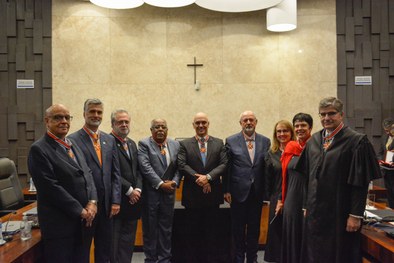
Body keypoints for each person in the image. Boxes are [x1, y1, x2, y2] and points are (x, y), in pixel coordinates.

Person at [297, 97, 381, 263]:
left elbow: (360, 183)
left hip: (340, 213)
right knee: (314, 253)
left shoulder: (356, 141)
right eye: (322, 115)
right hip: (315, 213)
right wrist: (306, 205)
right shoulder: (314, 140)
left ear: (341, 115)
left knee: (338, 254)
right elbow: (307, 176)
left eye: (331, 114)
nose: (326, 118)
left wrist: (355, 215)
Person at [28, 104, 97, 263]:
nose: (64, 121)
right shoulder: (39, 149)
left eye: (67, 117)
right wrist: (80, 210)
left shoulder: (73, 144)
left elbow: (88, 174)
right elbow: (50, 187)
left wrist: (93, 202)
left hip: (82, 224)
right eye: (58, 117)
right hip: (59, 226)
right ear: (47, 121)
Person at [68, 98, 121, 263]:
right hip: (86, 208)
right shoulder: (72, 140)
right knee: (82, 251)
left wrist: (116, 201)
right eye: (92, 111)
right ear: (84, 114)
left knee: (105, 250)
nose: (96, 115)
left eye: (99, 112)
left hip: (106, 207)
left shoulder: (110, 139)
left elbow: (115, 174)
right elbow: (74, 176)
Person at [177, 112, 228, 263]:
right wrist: (200, 179)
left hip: (213, 196)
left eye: (203, 122)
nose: (201, 125)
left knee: (212, 234)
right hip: (192, 196)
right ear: (193, 125)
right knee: (193, 234)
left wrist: (209, 177)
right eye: (197, 123)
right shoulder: (184, 144)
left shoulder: (219, 143)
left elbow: (224, 164)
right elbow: (181, 164)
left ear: (208, 124)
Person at [224, 111, 271, 263]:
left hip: (257, 194)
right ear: (241, 123)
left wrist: (266, 193)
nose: (248, 122)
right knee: (238, 229)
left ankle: (252, 259)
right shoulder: (231, 141)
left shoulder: (266, 141)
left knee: (254, 229)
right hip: (238, 193)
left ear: (256, 122)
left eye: (251, 120)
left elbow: (266, 169)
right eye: (245, 120)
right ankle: (239, 258)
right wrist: (226, 190)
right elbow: (227, 168)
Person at [138, 118, 180, 263]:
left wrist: (174, 182)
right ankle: (151, 259)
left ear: (167, 130)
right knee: (150, 230)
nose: (160, 129)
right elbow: (145, 167)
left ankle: (165, 259)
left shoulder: (175, 144)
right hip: (151, 195)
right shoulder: (144, 144)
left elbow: (179, 167)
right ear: (151, 130)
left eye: (163, 127)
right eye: (157, 127)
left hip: (169, 195)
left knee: (166, 230)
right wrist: (161, 184)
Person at [277, 113, 313, 263]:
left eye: (303, 125)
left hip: (309, 197)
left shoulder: (315, 146)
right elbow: (284, 176)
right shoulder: (290, 147)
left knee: (306, 234)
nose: (299, 128)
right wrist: (281, 199)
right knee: (291, 234)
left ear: (310, 127)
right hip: (291, 197)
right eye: (297, 126)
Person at [110, 109, 142, 263]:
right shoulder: (107, 142)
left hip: (133, 202)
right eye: (120, 122)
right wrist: (129, 190)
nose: (124, 124)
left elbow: (137, 170)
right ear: (112, 124)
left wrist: (138, 190)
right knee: (114, 244)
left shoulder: (132, 143)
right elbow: (110, 172)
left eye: (126, 122)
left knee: (128, 243)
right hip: (117, 202)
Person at [264, 120, 295, 263]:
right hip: (276, 196)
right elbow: (267, 178)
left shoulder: (298, 151)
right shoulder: (271, 153)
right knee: (276, 231)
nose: (282, 134)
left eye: (285, 131)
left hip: (294, 196)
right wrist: (272, 199)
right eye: (279, 131)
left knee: (292, 231)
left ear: (291, 132)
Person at [377, 118, 394, 208]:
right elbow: (380, 153)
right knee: (390, 195)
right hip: (386, 171)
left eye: (388, 130)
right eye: (385, 131)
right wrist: (380, 161)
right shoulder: (384, 138)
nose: (387, 132)